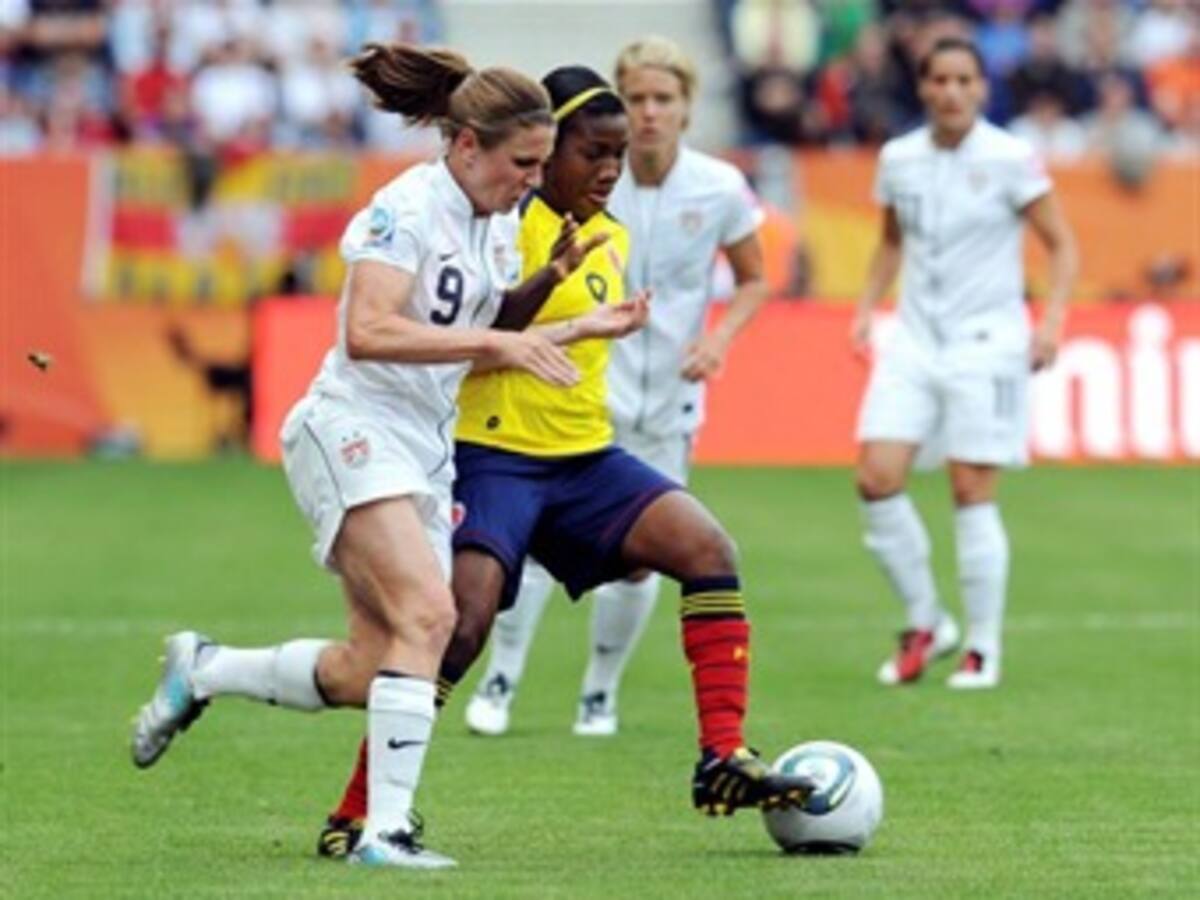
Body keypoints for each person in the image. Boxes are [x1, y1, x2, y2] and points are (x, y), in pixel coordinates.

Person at [128, 42, 629, 870]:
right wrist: (497, 346)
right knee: (432, 615)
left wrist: (561, 303)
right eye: (523, 163)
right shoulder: (406, 207)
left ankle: (207, 670)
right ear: (465, 145)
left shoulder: (499, 222)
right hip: (352, 426)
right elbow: (367, 331)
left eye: (541, 164)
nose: (534, 181)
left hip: (423, 448)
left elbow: (488, 323)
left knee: (374, 666)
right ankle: (385, 835)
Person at [316, 63, 812, 859]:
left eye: (618, 154)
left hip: (584, 458)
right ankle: (357, 812)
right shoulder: (499, 223)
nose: (610, 169)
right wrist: (545, 294)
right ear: (546, 156)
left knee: (707, 548)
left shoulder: (608, 234)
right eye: (593, 153)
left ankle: (721, 756)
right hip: (491, 457)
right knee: (457, 628)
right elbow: (468, 342)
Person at [464, 36, 771, 740]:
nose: (650, 112)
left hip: (667, 397)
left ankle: (600, 691)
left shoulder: (720, 186)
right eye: (638, 98)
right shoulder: (576, 180)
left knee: (647, 562)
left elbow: (755, 277)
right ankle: (502, 677)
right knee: (526, 544)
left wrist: (718, 340)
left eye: (664, 99)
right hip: (580, 395)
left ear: (688, 107)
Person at [851, 36, 1078, 691]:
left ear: (981, 88)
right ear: (922, 87)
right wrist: (866, 307)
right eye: (939, 80)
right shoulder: (899, 158)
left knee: (971, 489)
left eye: (963, 80)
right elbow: (890, 240)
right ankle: (927, 620)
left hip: (988, 341)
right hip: (915, 339)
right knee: (876, 478)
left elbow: (1062, 245)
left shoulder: (1010, 158)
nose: (950, 92)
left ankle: (982, 646)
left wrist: (1052, 321)